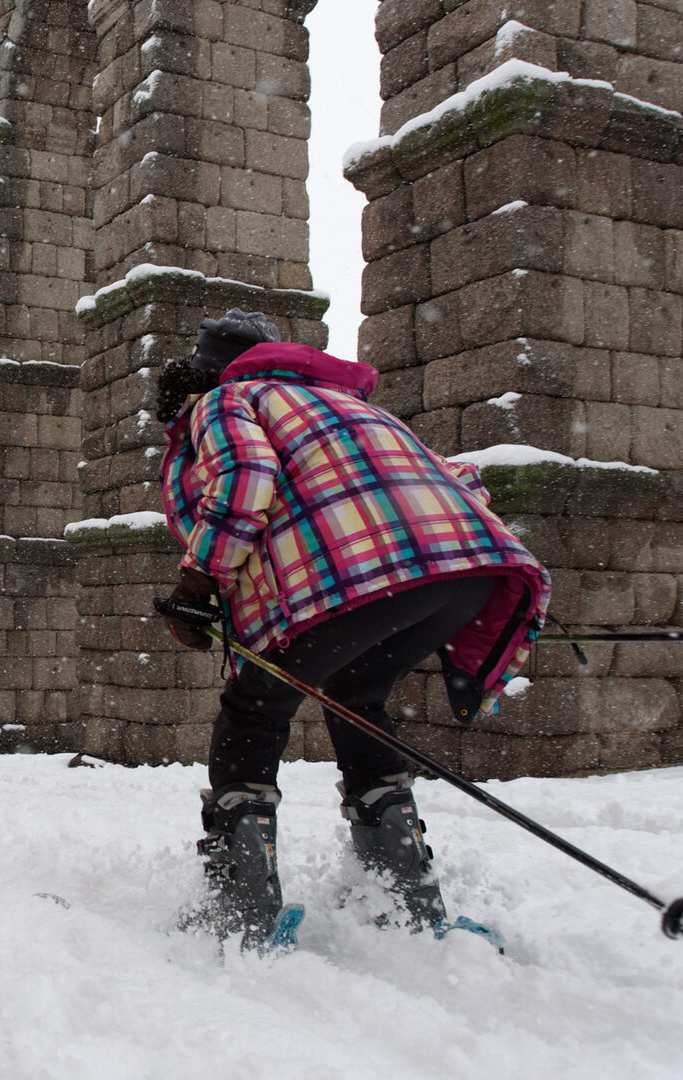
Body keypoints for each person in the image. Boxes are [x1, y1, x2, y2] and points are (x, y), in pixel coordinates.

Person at [156, 309, 550, 946]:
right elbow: (463, 481)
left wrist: (198, 583)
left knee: (253, 712)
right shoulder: (351, 405)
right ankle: (405, 902)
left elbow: (245, 477)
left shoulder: (228, 398)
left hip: (355, 577)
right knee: (357, 698)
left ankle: (241, 915)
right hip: (469, 571)